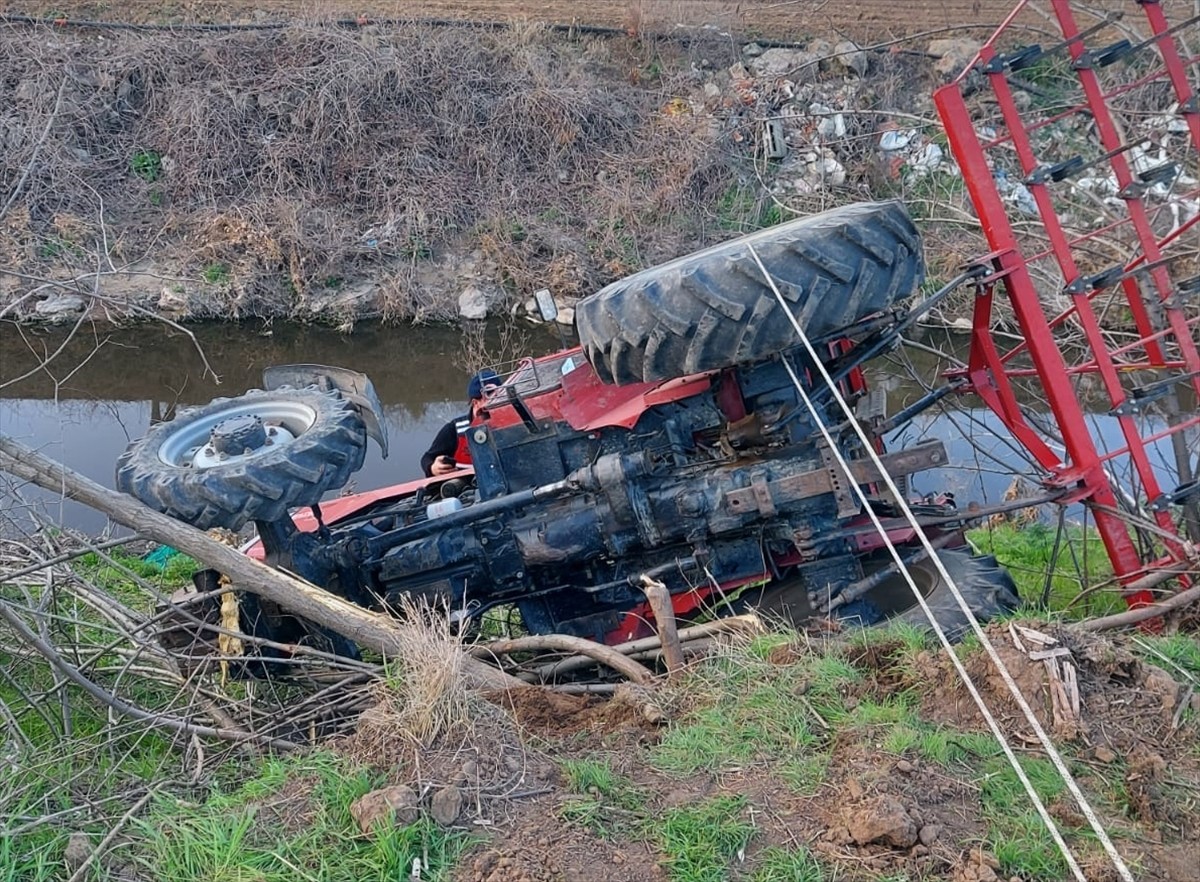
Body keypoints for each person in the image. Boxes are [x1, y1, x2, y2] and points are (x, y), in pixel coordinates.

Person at [420, 369, 499, 477]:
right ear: (475, 402)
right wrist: (432, 467)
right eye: (491, 399)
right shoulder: (454, 429)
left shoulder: (511, 422)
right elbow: (427, 458)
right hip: (466, 484)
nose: (497, 404)